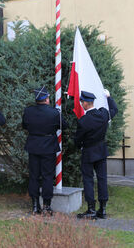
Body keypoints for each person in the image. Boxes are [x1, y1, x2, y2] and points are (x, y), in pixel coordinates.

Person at [22, 86, 68, 216]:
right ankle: (47, 206)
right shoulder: (54, 113)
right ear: (47, 99)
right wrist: (58, 116)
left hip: (33, 146)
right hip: (48, 147)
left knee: (34, 176)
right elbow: (65, 126)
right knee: (47, 177)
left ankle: (35, 205)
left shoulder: (28, 111)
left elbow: (24, 125)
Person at [74, 89, 118, 220]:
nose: (81, 103)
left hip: (88, 152)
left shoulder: (83, 121)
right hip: (101, 150)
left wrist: (79, 146)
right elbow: (114, 110)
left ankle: (91, 210)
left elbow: (77, 140)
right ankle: (102, 209)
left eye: (82, 101)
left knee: (88, 180)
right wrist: (109, 97)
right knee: (102, 179)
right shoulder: (103, 114)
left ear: (86, 103)